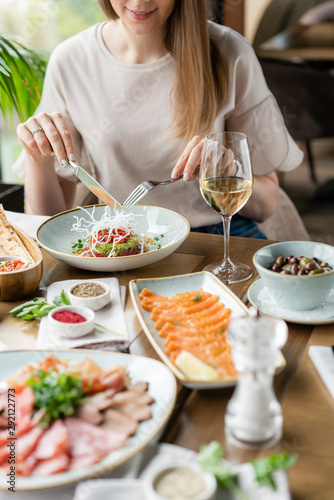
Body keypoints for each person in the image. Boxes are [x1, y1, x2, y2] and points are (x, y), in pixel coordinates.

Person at [14, 0, 303, 238]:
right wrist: (36, 156)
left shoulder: (230, 52)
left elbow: (266, 205)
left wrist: (227, 174)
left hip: (216, 236)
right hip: (121, 241)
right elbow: (50, 222)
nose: (140, 2)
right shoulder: (71, 61)